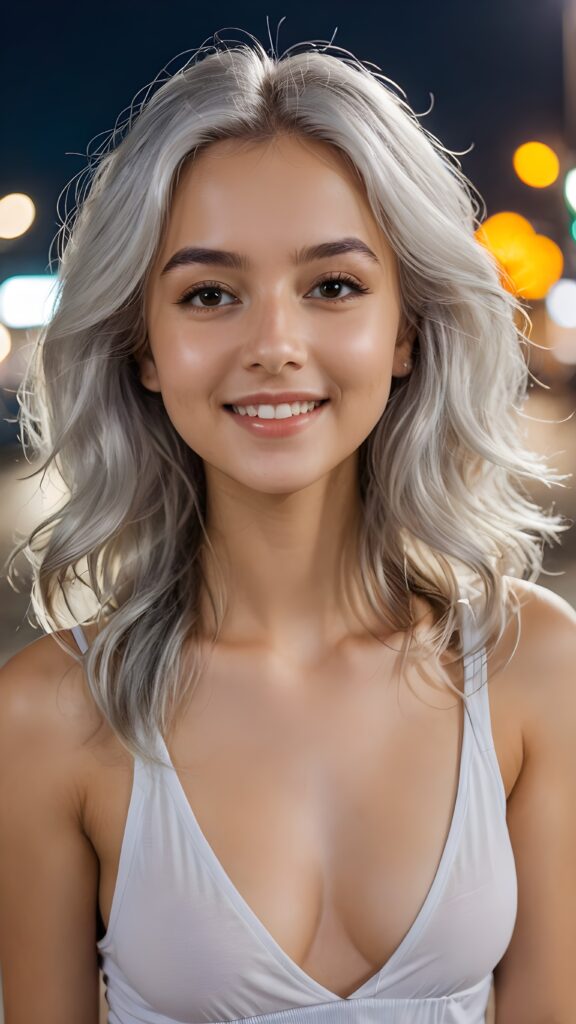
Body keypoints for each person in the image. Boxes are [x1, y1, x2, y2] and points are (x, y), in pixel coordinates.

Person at [1, 28, 575, 1024]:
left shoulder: (537, 667)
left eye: (333, 287)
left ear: (404, 332)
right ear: (144, 346)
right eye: (210, 293)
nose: (274, 344)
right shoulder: (48, 717)